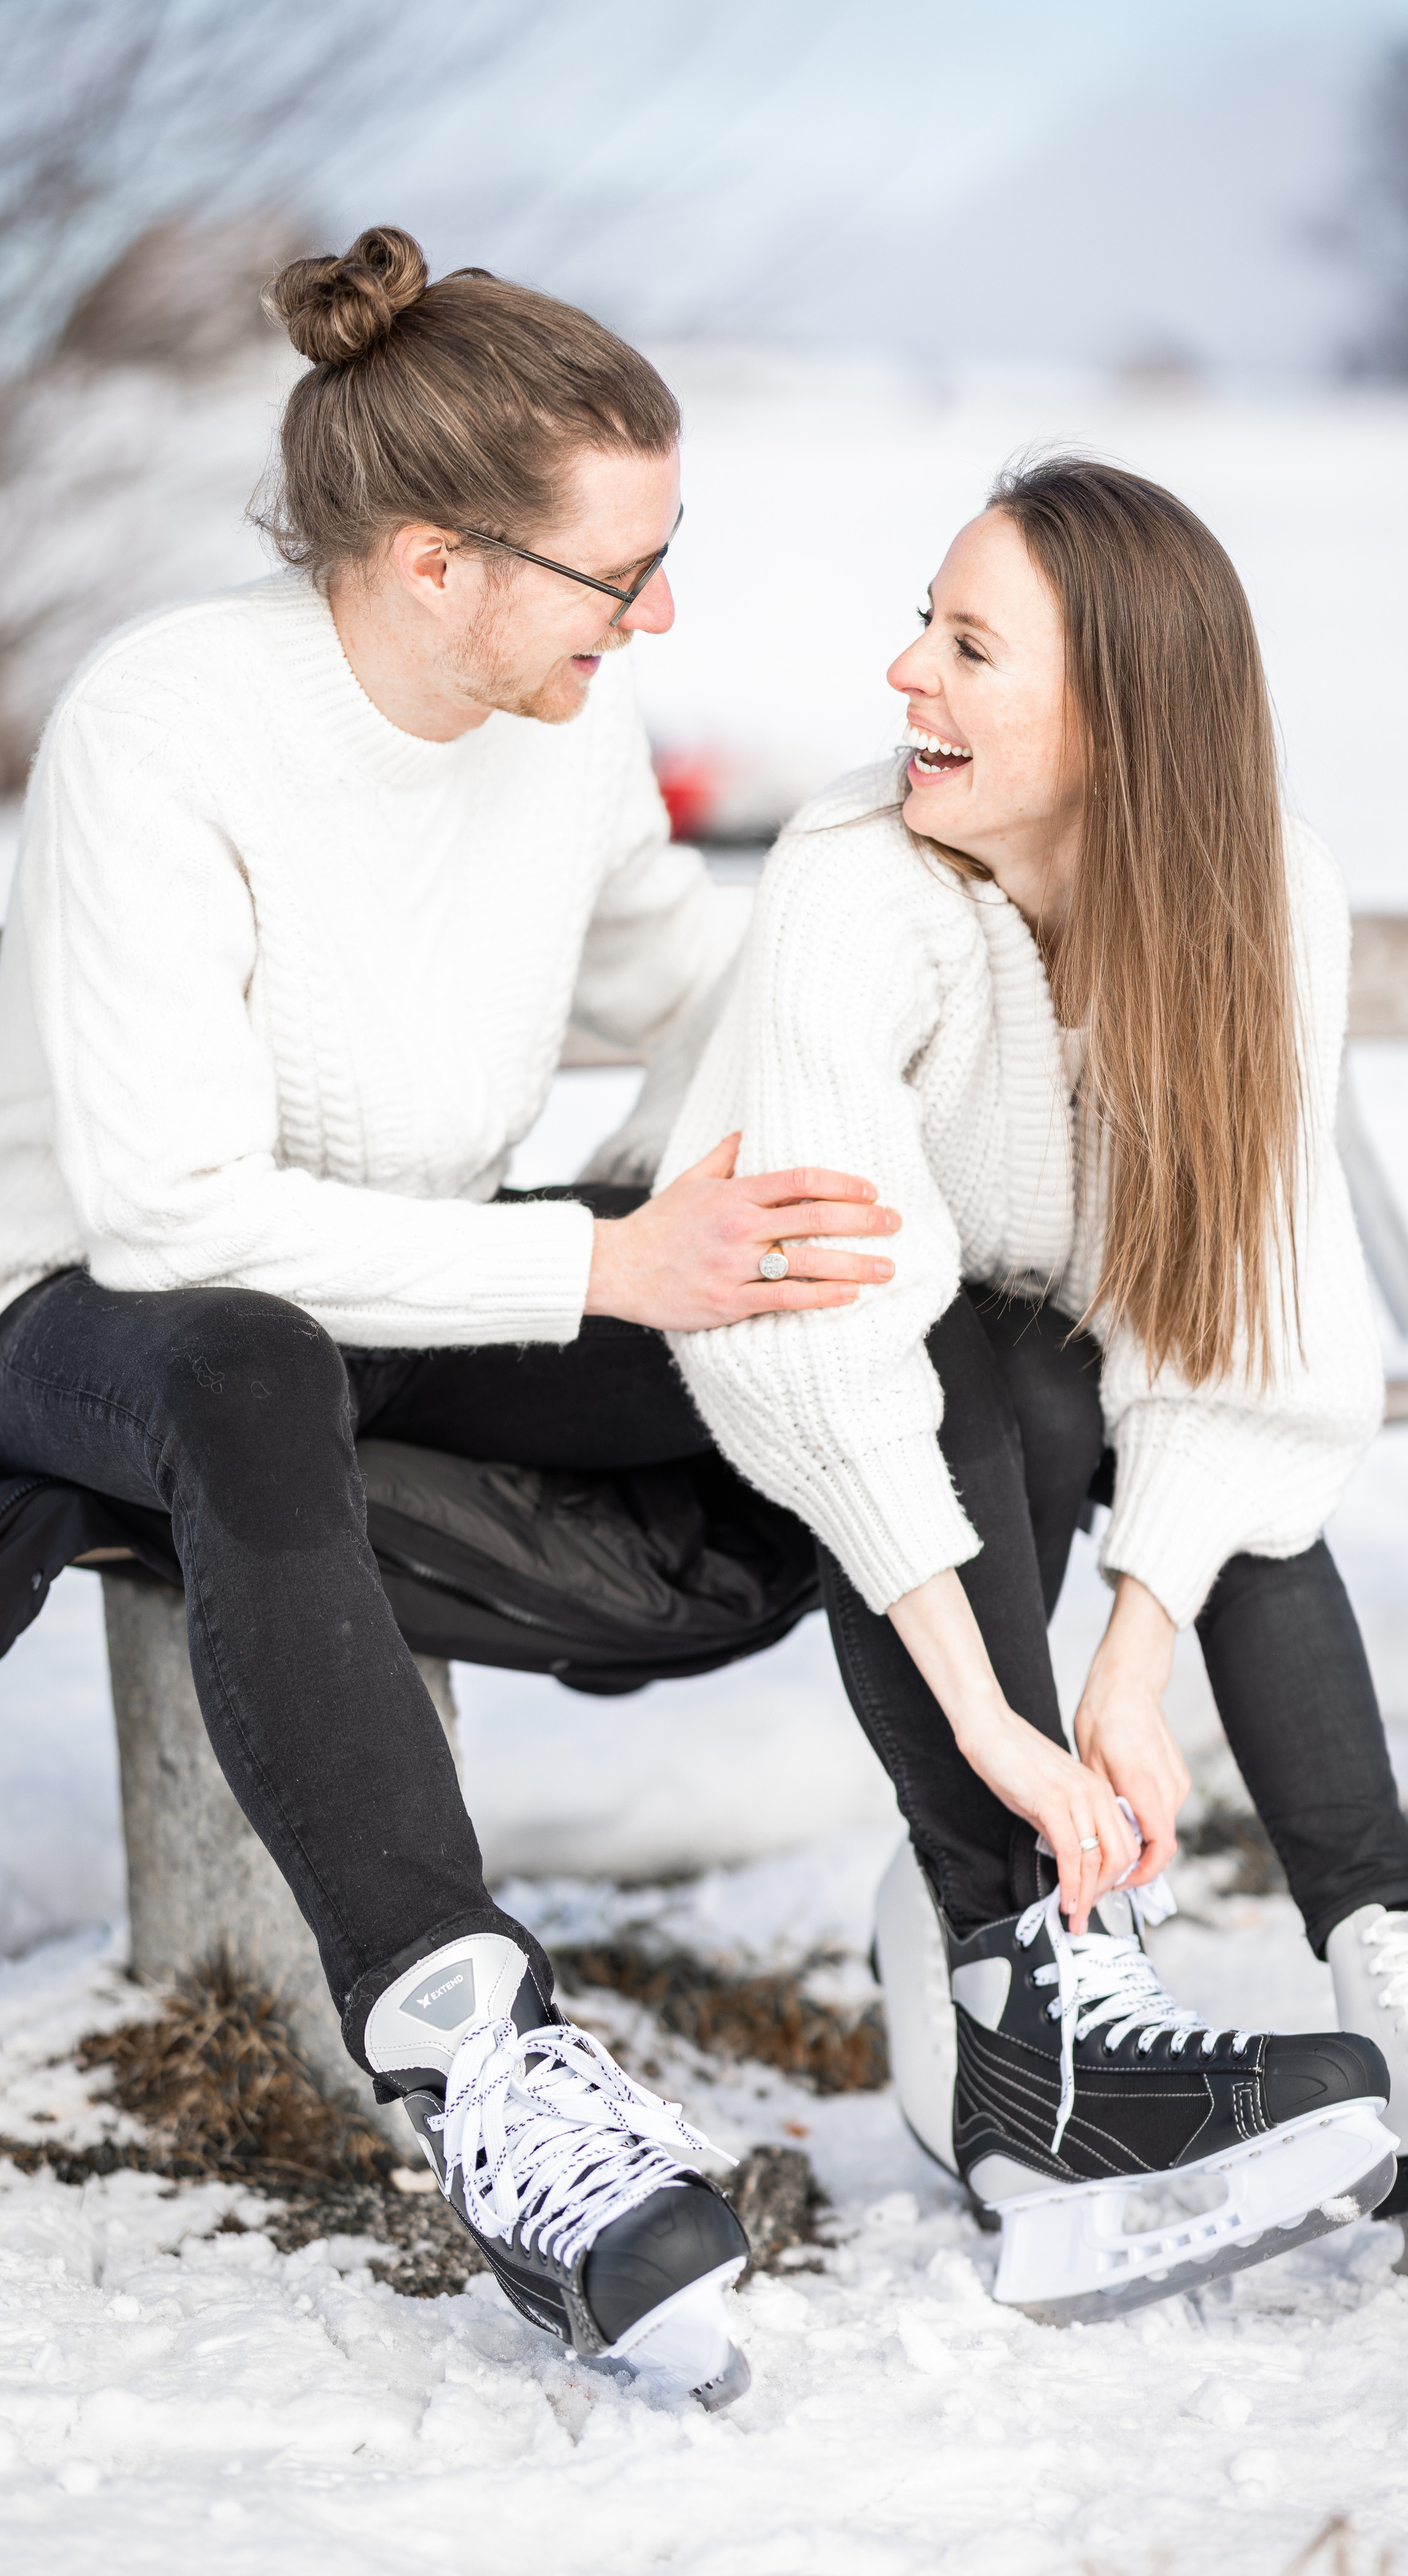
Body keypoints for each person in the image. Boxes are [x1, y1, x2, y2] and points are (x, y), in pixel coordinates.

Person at [0, 226, 908, 2408]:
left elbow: (673, 975)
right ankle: (482, 2059)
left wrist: (928, 971)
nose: (658, 615)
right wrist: (602, 1263)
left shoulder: (556, 726)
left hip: (399, 1280)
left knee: (835, 1297)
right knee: (247, 1362)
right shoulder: (164, 731)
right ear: (435, 562)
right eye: (624, 573)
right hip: (99, 1313)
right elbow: (177, 1220)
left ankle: (1027, 1971)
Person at [661, 456, 1408, 2310]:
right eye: (924, 627)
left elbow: (1240, 1336)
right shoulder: (856, 883)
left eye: (969, 648)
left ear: (1114, 720)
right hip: (776, 1378)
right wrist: (1002, 1733)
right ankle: (1011, 1967)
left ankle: (1387, 1962)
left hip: (1043, 1382)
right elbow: (823, 1336)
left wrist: (1130, 1662)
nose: (904, 675)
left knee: (1190, 1458)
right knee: (980, 1356)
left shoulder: (1261, 900)